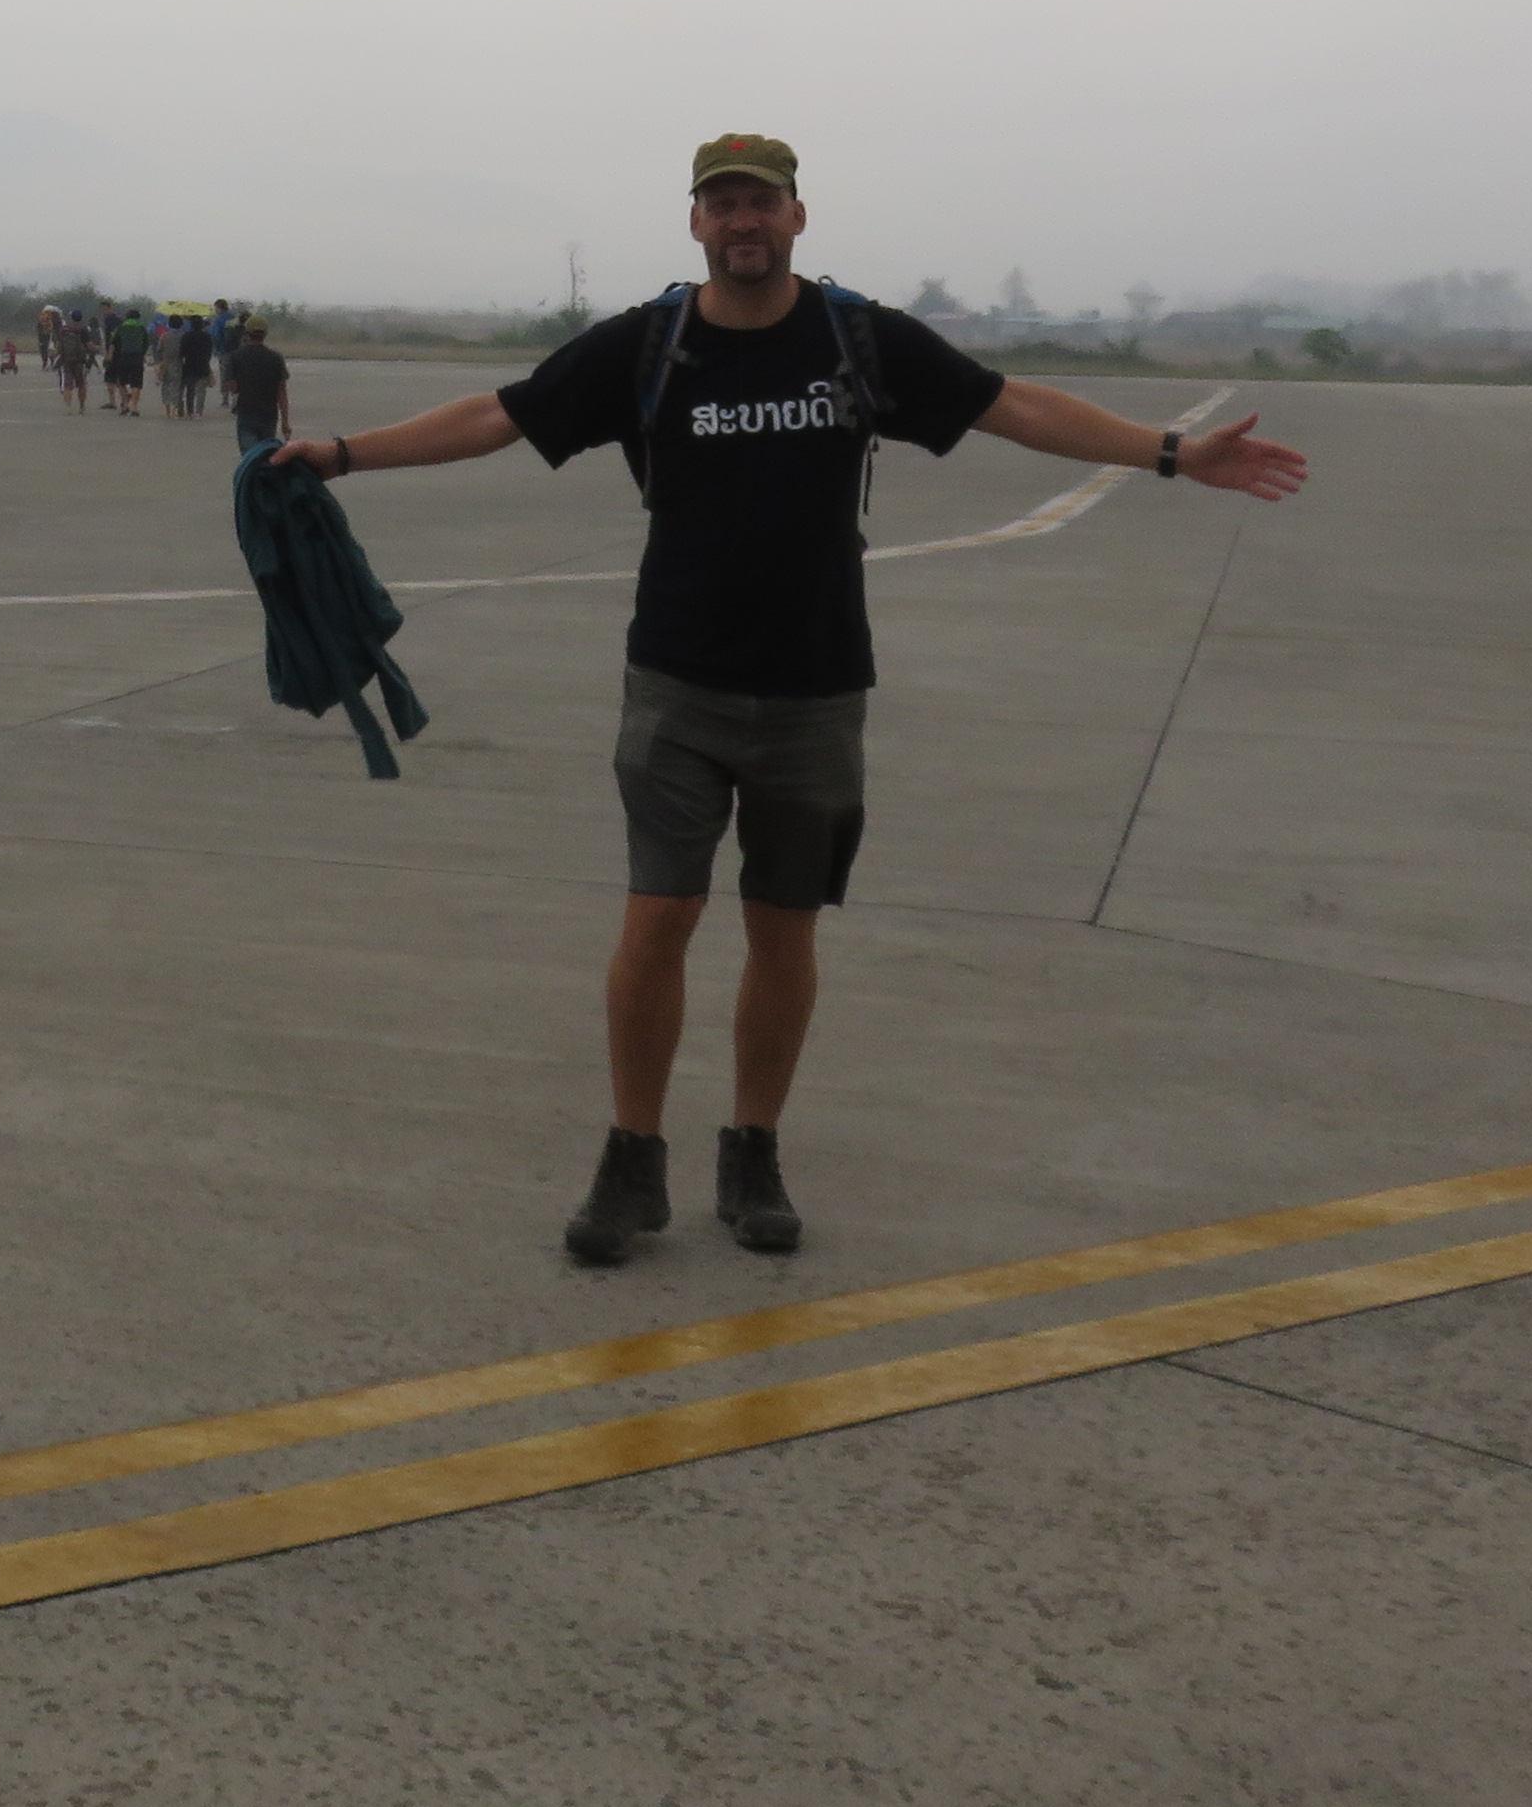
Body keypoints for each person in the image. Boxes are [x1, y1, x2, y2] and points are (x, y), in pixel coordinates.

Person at [271, 133, 1304, 1267]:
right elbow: (500, 416)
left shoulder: (857, 339)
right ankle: (632, 1156)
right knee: (657, 920)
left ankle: (752, 1149)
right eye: (721, 204)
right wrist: (343, 454)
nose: (742, 221)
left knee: (782, 926)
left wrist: (1171, 453)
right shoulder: (651, 343)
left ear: (797, 216)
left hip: (816, 688)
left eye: (760, 201)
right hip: (676, 682)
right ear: (696, 224)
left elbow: (1012, 405)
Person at [224, 310, 291, 450]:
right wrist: (285, 422)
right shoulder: (276, 358)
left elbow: (232, 387)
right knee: (265, 455)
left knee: (250, 456)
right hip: (269, 415)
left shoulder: (235, 356)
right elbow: (282, 393)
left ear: (246, 333)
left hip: (246, 413)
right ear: (265, 334)